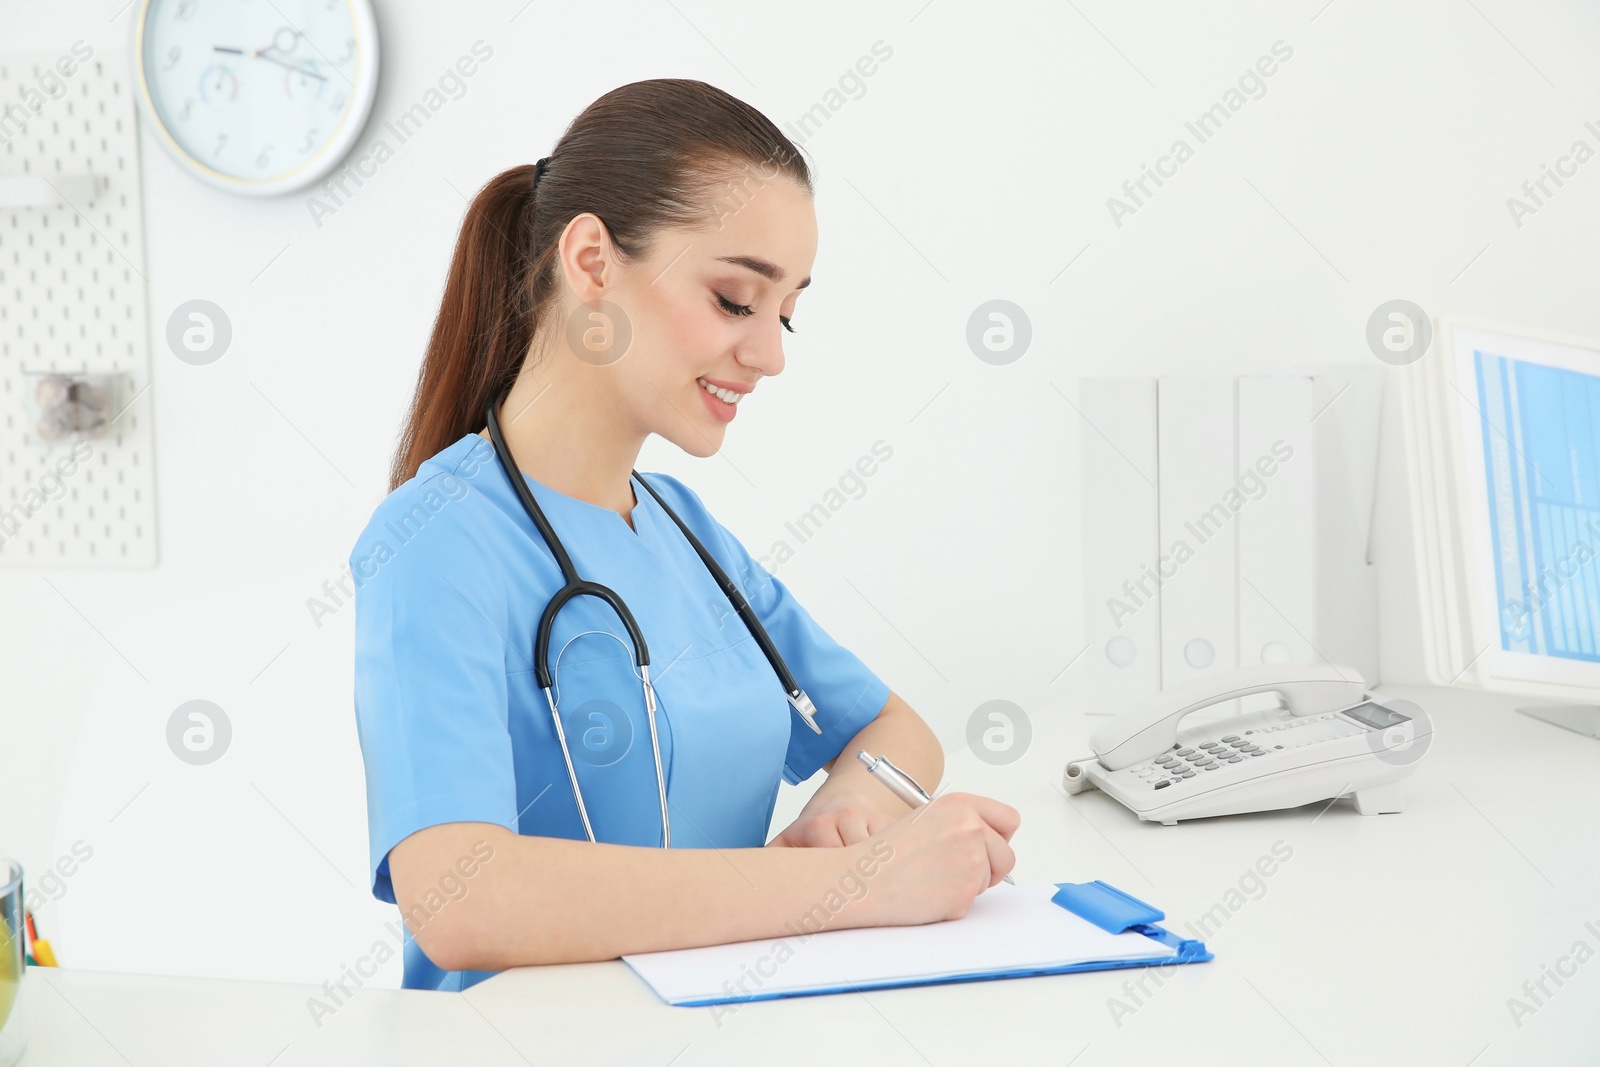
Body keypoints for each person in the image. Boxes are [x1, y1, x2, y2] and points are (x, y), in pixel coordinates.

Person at [350, 78, 1019, 992]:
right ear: (591, 262)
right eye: (738, 300)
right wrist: (840, 885)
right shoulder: (435, 541)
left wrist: (847, 820)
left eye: (787, 312)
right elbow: (461, 899)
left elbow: (892, 729)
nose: (773, 353)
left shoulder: (683, 529)